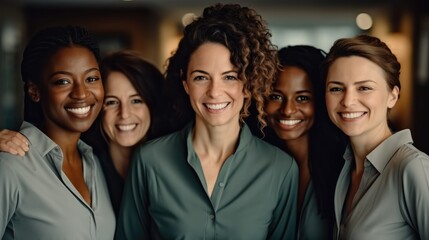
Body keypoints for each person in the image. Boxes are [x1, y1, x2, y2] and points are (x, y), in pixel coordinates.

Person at [116, 3, 299, 239]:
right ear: (185, 83)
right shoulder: (149, 161)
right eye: (201, 77)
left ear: (249, 85)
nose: (214, 91)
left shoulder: (280, 169)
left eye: (230, 77)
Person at [0, 50, 167, 217]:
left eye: (136, 100)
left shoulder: (170, 164)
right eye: (112, 102)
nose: (124, 114)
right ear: (97, 108)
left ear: (152, 105)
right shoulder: (86, 166)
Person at [0, 26, 115, 239]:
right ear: (35, 91)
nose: (81, 93)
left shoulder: (95, 164)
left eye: (91, 79)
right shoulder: (11, 166)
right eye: (63, 81)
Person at [321, 34, 429, 239]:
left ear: (392, 95)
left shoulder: (414, 169)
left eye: (364, 88)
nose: (348, 101)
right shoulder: (344, 169)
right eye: (336, 88)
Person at [260, 45, 346, 240]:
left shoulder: (343, 168)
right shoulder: (255, 165)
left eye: (302, 98)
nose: (288, 110)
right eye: (275, 96)